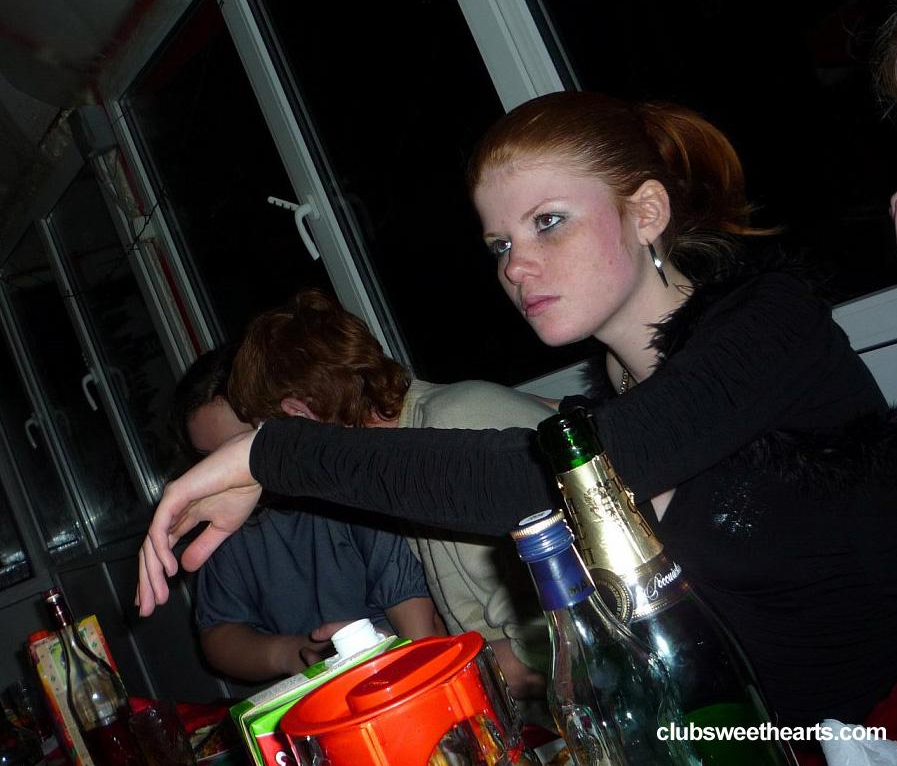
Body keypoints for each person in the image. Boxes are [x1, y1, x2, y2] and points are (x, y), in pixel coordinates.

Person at [138, 91, 897, 732]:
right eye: (499, 243)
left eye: (548, 221)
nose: (516, 265)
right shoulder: (619, 390)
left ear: (646, 211)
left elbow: (547, 479)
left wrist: (272, 453)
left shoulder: (771, 324)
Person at [226, 289, 549, 706]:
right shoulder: (404, 454)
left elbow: (556, 642)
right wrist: (387, 653)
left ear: (298, 416)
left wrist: (419, 677)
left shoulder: (450, 428)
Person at [171, 345, 445, 683]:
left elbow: (424, 633)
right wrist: (288, 652)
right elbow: (218, 631)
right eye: (207, 459)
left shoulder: (349, 484)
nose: (221, 475)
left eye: (235, 453)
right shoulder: (224, 521)